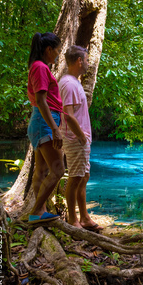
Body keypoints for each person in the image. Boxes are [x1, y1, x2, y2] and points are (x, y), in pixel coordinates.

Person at [27, 33, 85, 224]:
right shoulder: (41, 67)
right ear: (49, 49)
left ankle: (40, 210)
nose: (59, 55)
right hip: (45, 121)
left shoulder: (39, 67)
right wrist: (55, 128)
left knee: (42, 170)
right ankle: (36, 212)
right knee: (58, 170)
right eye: (58, 50)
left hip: (42, 121)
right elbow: (42, 101)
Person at [59, 45, 102, 231]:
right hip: (75, 139)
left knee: (84, 176)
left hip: (80, 139)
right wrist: (81, 137)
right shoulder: (69, 84)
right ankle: (72, 220)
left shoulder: (73, 82)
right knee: (75, 178)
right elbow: (68, 114)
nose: (87, 63)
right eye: (86, 60)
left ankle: (84, 217)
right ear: (78, 61)